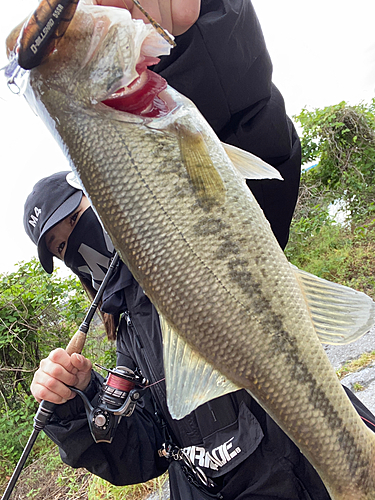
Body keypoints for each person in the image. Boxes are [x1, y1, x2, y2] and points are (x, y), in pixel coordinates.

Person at [24, 1, 375, 499]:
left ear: (99, 198)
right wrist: (76, 407)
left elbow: (257, 132)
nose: (75, 251)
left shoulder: (173, 175)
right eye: (61, 250)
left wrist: (195, 28)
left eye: (73, 227)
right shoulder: (126, 328)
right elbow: (147, 449)